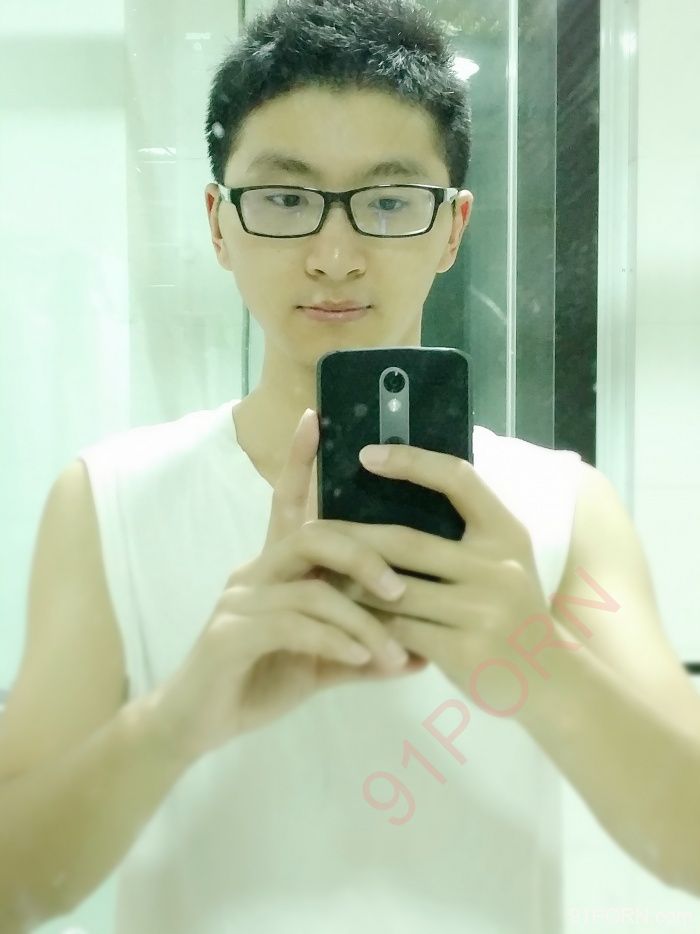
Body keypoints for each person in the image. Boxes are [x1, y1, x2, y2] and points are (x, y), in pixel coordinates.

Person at [1, 0, 699, 930]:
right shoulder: (110, 501)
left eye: (390, 201)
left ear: (452, 229)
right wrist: (176, 719)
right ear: (219, 223)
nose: (335, 257)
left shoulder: (566, 507)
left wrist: (537, 665)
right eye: (286, 200)